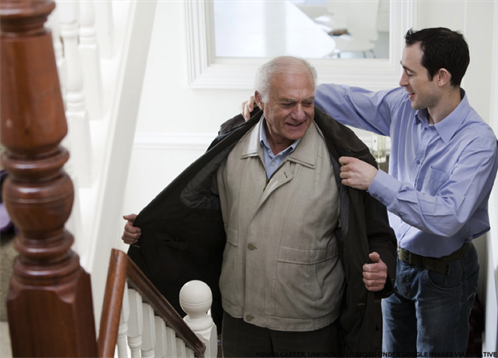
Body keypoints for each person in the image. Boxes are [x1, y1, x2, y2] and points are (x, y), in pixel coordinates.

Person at [241, 27, 498, 355]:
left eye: (409, 72)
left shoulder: (479, 144)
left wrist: (375, 180)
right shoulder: (402, 107)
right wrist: (275, 98)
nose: (401, 81)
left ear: (441, 77)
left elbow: (448, 217)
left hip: (445, 277)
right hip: (397, 267)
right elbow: (345, 99)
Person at [123, 56, 397, 356]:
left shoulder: (344, 158)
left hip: (310, 326)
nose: (300, 114)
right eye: (287, 103)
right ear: (259, 100)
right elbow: (196, 217)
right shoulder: (228, 149)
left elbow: (377, 235)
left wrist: (383, 266)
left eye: (308, 102)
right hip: (241, 320)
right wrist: (150, 228)